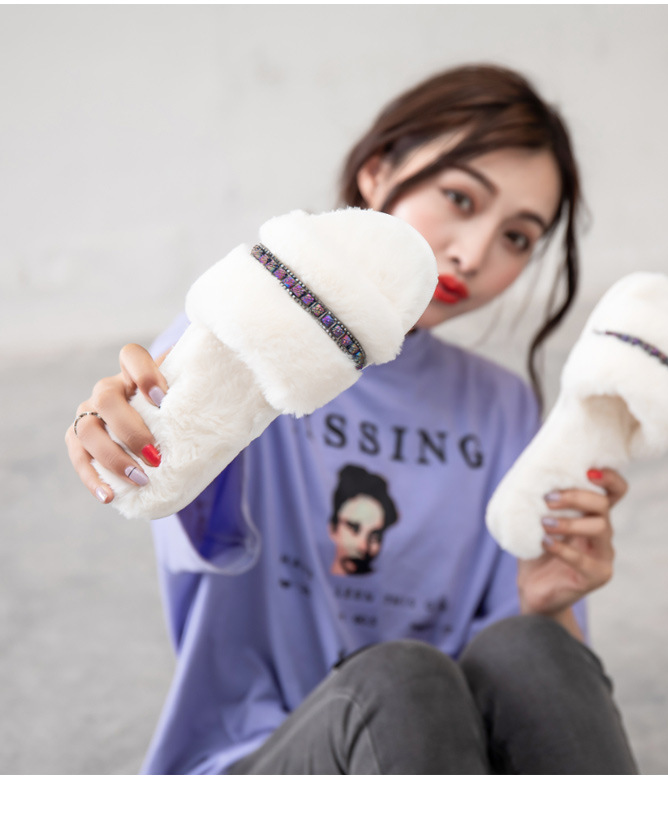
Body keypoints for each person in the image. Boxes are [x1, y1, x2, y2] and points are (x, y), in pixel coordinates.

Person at [65, 64, 638, 774]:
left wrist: (548, 608)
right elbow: (157, 469)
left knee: (531, 647)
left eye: (517, 238)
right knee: (401, 677)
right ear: (376, 171)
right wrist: (119, 434)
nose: (474, 253)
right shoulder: (251, 335)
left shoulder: (503, 407)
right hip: (257, 768)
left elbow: (515, 706)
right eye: (460, 198)